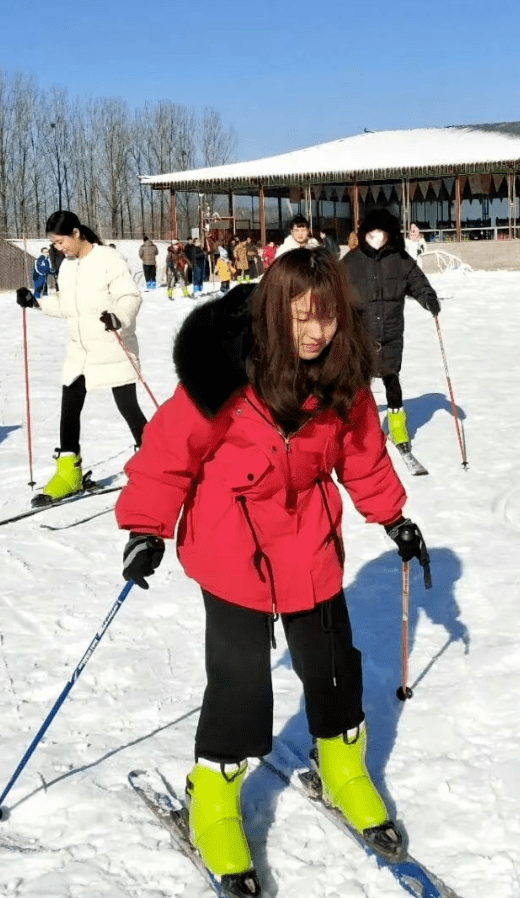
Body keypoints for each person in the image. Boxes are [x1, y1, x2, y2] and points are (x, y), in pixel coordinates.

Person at [116, 250, 427, 894]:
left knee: (334, 664)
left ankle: (342, 767)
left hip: (308, 540)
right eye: (302, 317)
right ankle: (214, 795)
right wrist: (146, 527)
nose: (316, 333)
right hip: (231, 545)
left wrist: (392, 516)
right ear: (273, 312)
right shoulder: (221, 378)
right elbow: (167, 454)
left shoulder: (342, 380)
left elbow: (364, 455)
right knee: (241, 686)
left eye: (329, 317)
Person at [15, 210, 147, 504]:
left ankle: (156, 464)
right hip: (79, 351)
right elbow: (65, 304)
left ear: (76, 233)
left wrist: (119, 317)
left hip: (112, 346)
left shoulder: (108, 259)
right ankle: (68, 472)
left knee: (128, 407)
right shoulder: (67, 267)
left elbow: (130, 296)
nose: (58, 248)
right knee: (69, 409)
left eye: (60, 242)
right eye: (54, 243)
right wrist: (36, 302)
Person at [342, 208, 440, 459]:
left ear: (389, 235)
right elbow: (333, 289)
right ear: (364, 233)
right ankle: (359, 430)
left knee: (391, 378)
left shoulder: (401, 259)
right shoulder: (351, 261)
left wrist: (428, 299)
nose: (375, 238)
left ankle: (398, 428)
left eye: (381, 234)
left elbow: (417, 282)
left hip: (391, 332)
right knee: (359, 385)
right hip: (360, 335)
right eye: (371, 233)